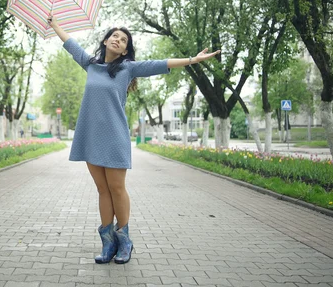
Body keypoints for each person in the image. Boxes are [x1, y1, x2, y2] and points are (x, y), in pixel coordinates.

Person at [48, 15, 220, 264]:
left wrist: (193, 60)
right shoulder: (90, 64)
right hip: (91, 135)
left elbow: (160, 63)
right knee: (102, 189)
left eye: (123, 40)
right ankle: (108, 244)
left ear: (126, 50)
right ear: (106, 41)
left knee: (117, 188)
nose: (118, 40)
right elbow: (70, 42)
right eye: (114, 36)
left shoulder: (128, 68)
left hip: (115, 136)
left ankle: (124, 241)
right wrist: (54, 24)